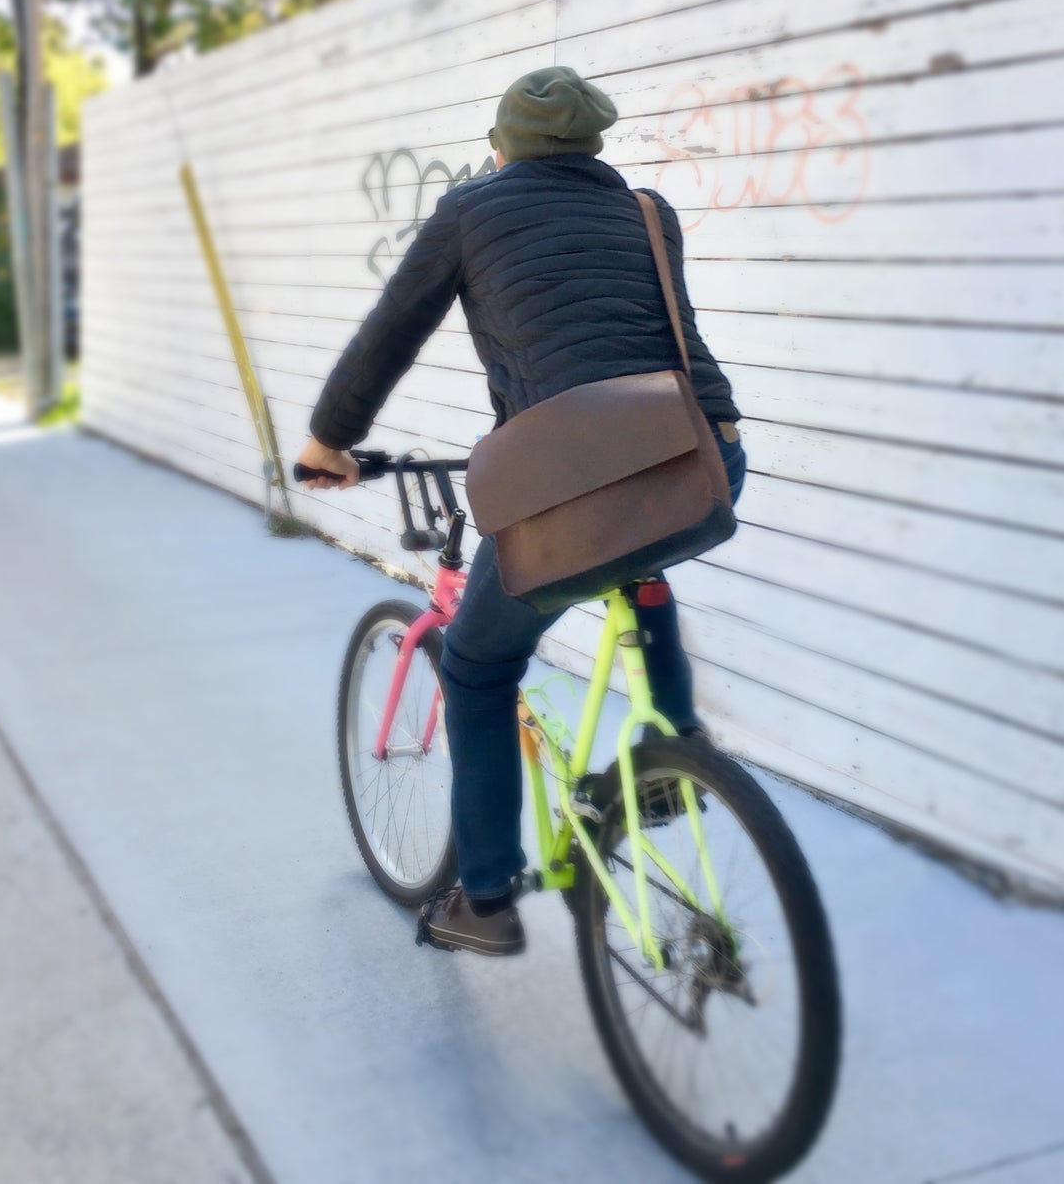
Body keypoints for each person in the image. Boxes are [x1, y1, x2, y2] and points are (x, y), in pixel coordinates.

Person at [297, 67, 744, 957]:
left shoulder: (470, 210)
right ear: (589, 146)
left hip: (572, 484)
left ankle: (487, 895)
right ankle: (675, 752)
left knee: (476, 664)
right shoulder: (648, 211)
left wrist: (328, 442)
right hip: (703, 461)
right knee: (636, 543)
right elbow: (668, 341)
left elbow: (391, 331)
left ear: (502, 149)